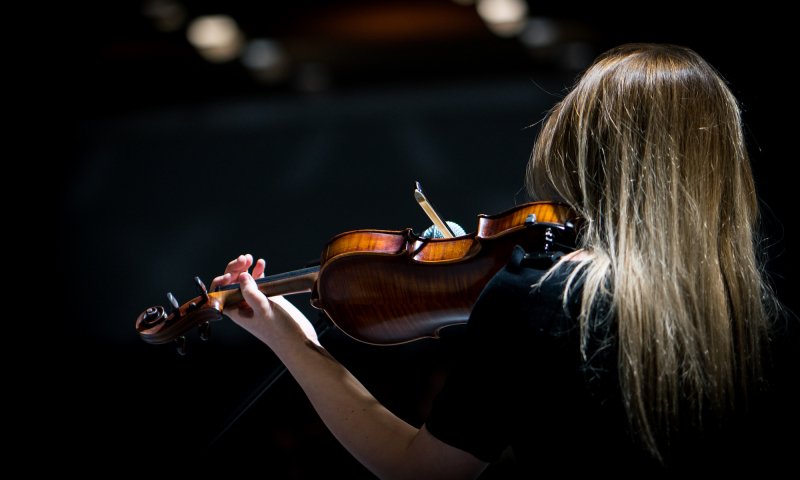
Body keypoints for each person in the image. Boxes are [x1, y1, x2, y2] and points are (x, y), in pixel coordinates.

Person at [209, 43, 796, 477]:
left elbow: (422, 473)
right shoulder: (759, 321)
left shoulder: (546, 299)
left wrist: (294, 344)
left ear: (579, 151)